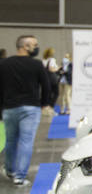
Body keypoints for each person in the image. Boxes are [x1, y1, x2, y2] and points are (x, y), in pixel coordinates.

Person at [1, 34, 56, 186]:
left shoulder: (5, 64)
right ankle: (20, 176)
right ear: (25, 46)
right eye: (34, 44)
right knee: (26, 141)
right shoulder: (36, 65)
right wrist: (46, 103)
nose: (36, 47)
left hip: (9, 108)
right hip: (30, 108)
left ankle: (10, 170)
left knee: (11, 140)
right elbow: (46, 86)